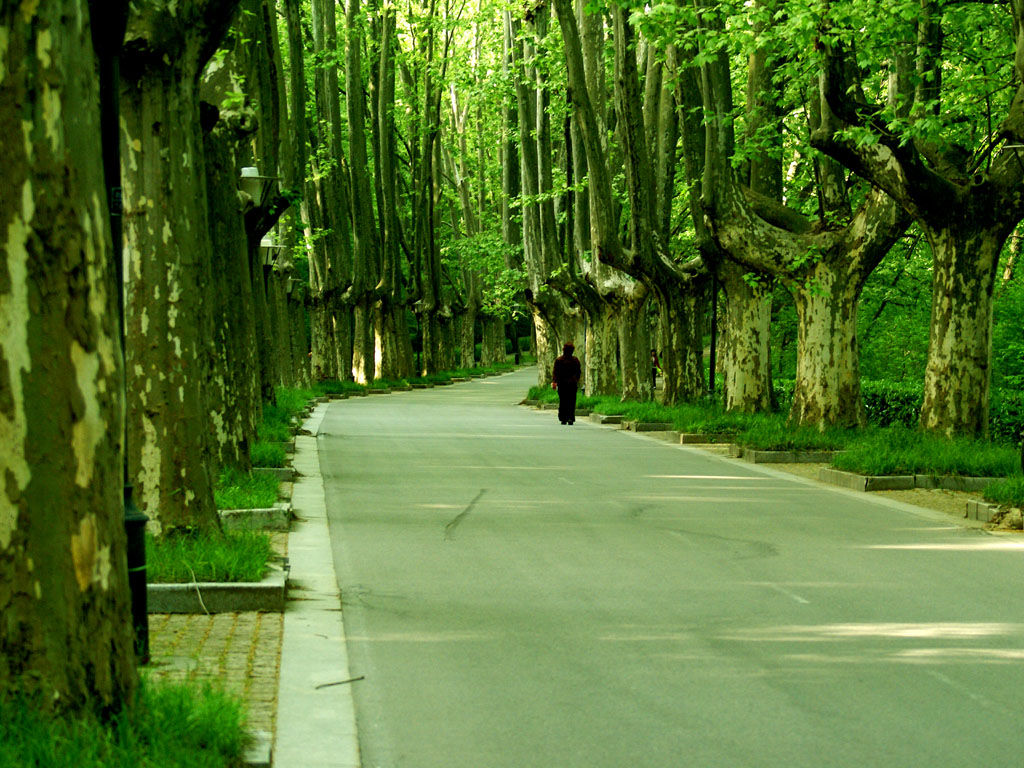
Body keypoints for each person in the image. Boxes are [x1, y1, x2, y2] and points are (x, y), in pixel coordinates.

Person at [551, 341, 582, 425]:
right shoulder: (575, 360)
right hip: (572, 384)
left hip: (562, 384)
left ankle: (563, 418)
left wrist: (554, 382)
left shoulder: (559, 360)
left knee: (563, 401)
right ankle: (570, 418)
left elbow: (555, 372)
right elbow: (578, 372)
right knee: (571, 401)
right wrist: (575, 380)